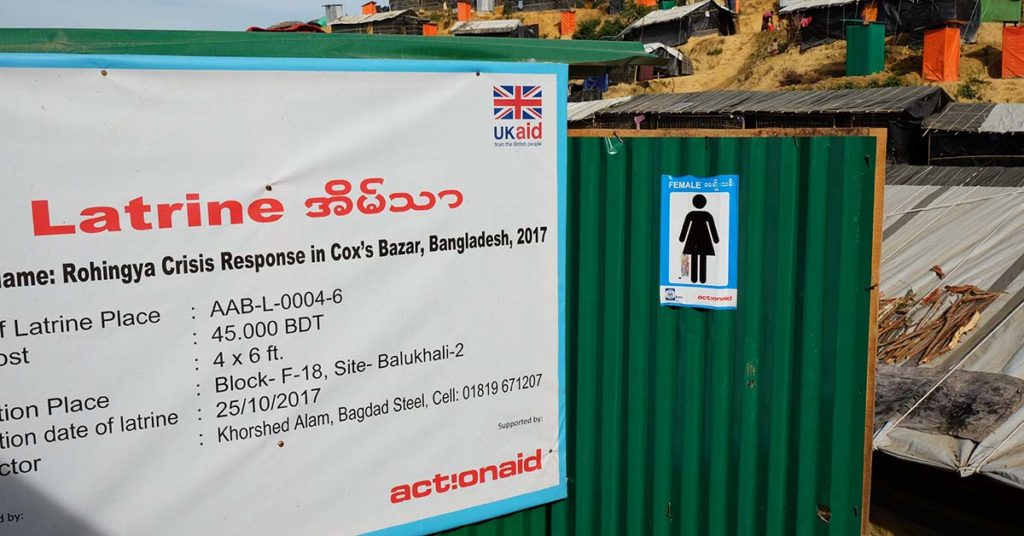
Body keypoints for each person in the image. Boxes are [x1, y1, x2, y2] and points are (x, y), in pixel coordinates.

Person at [678, 194, 719, 284]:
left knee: (694, 257)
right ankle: (702, 279)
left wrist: (682, 238)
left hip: (693, 238)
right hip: (704, 239)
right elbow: (712, 228)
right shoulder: (707, 215)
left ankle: (694, 278)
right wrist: (715, 239)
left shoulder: (691, 214)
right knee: (702, 258)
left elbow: (685, 227)